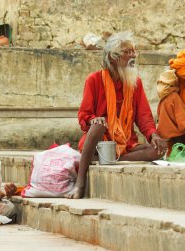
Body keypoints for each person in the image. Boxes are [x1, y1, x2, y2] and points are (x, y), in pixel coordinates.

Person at [66, 31, 167, 199]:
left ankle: (113, 157)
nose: (133, 55)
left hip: (126, 143)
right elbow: (84, 115)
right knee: (98, 125)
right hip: (100, 141)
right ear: (113, 58)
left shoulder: (135, 83)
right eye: (127, 53)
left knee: (157, 150)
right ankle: (80, 182)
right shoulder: (94, 80)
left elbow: (144, 117)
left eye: (133, 51)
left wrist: (153, 135)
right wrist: (94, 119)